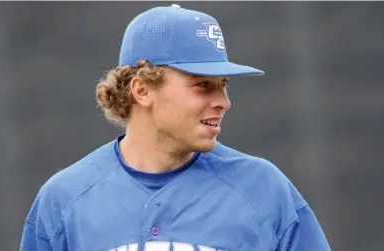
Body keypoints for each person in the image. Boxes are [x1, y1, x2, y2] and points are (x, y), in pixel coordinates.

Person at [20, 4, 331, 251]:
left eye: (223, 85)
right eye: (202, 85)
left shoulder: (265, 190)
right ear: (142, 91)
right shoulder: (63, 199)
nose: (223, 101)